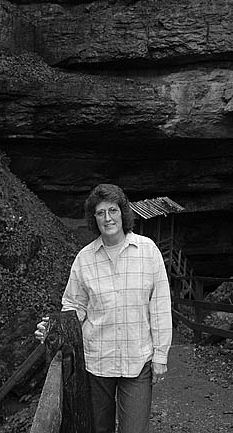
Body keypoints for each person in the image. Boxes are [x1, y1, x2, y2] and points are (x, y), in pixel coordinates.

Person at [36, 183, 172, 433]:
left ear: (123, 212)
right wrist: (54, 329)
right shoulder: (84, 259)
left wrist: (160, 355)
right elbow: (74, 306)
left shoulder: (148, 251)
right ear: (94, 218)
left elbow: (160, 305)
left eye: (113, 210)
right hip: (97, 360)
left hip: (137, 359)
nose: (108, 218)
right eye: (100, 213)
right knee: (98, 429)